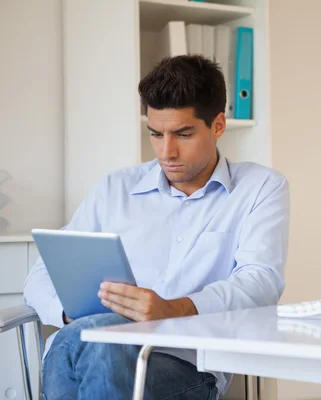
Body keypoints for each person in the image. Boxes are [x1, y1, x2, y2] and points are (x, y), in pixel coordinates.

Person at [23, 54, 290, 400]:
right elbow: (41, 272)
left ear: (218, 125)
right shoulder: (114, 189)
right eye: (155, 134)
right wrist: (68, 313)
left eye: (183, 133)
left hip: (180, 363)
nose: (167, 151)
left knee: (102, 347)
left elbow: (261, 281)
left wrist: (174, 308)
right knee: (96, 337)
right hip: (77, 347)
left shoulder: (261, 187)